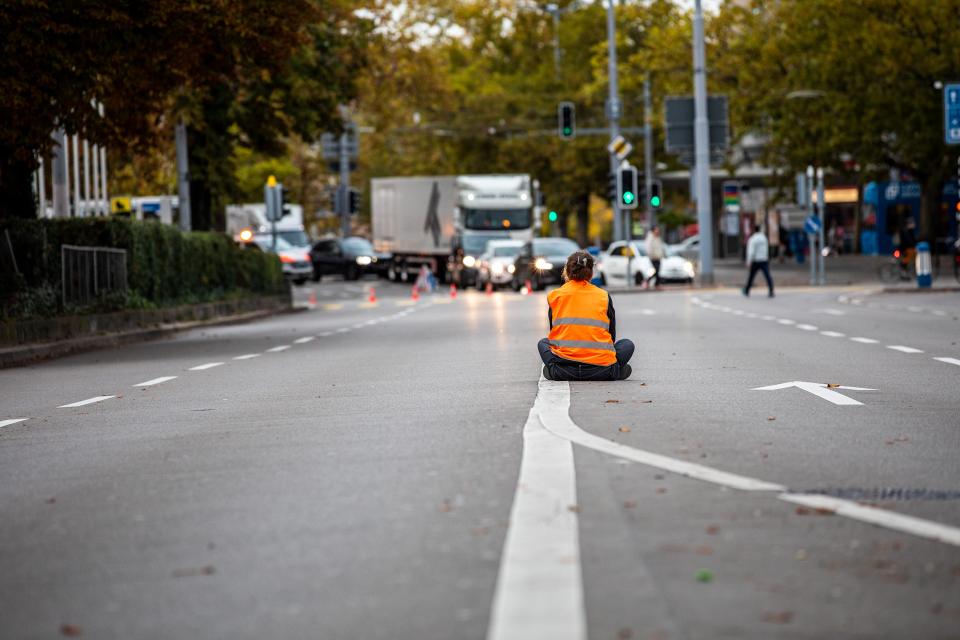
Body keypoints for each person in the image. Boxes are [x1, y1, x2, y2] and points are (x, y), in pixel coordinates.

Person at [538, 251, 635, 381]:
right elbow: (611, 335)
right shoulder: (603, 296)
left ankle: (553, 370)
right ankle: (615, 369)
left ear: (567, 271)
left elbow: (554, 331)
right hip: (601, 368)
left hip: (564, 368)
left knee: (543, 343)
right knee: (627, 345)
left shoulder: (555, 295)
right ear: (591, 272)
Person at [743, 224, 774, 297]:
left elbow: (751, 251)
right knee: (767, 276)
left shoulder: (753, 239)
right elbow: (766, 249)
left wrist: (748, 261)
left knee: (751, 276)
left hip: (755, 261)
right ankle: (771, 290)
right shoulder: (764, 238)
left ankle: (747, 290)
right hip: (764, 260)